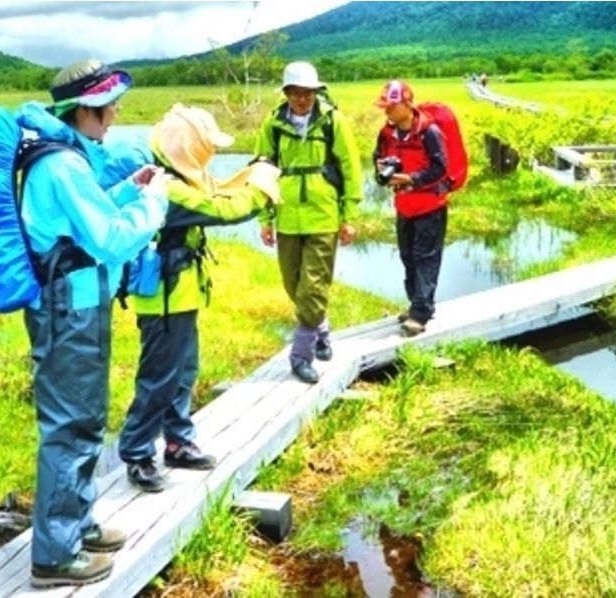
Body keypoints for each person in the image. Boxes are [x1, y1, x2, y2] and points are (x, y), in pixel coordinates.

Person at [19, 59, 169, 587]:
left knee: (84, 418)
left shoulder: (63, 159)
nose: (114, 114)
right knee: (71, 426)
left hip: (74, 305)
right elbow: (108, 239)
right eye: (108, 105)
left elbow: (81, 221)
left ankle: (77, 525)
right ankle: (55, 556)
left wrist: (129, 188)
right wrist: (154, 203)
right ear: (84, 108)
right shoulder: (62, 165)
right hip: (69, 312)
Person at [107, 105, 280, 493]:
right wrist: (262, 189)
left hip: (180, 293)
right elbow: (222, 208)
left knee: (183, 372)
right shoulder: (165, 187)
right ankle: (136, 451)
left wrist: (251, 175)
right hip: (164, 299)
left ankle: (178, 442)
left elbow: (216, 189)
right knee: (159, 378)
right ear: (187, 146)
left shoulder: (172, 174)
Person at [253, 61, 363, 384]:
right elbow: (261, 173)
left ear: (317, 92)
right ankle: (322, 332)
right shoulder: (272, 125)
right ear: (286, 93)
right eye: (297, 93)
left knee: (313, 286)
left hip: (323, 215)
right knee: (294, 285)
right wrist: (264, 219)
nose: (303, 99)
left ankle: (301, 355)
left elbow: (351, 169)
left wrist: (350, 216)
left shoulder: (333, 122)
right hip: (286, 216)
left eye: (308, 93)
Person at [373, 80, 448, 336]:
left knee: (425, 257)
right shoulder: (386, 133)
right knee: (407, 255)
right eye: (385, 106)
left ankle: (420, 314)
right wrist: (382, 170)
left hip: (430, 206)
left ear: (407, 104)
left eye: (391, 106)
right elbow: (377, 158)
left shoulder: (430, 132)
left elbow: (440, 169)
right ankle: (418, 303)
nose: (387, 111)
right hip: (404, 206)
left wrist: (411, 179)